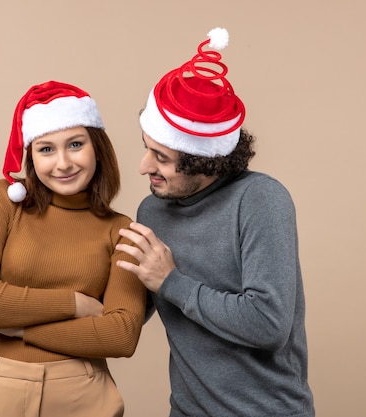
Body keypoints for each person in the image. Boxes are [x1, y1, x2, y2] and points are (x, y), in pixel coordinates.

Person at [116, 28, 315, 417]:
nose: (144, 167)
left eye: (161, 157)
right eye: (146, 150)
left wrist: (172, 282)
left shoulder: (260, 200)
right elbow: (125, 318)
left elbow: (267, 324)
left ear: (204, 161)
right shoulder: (152, 212)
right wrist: (27, 318)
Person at [0, 80, 147, 417]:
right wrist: (75, 304)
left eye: (75, 144)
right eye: (46, 149)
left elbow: (120, 334)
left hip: (84, 393)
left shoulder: (121, 230)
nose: (63, 163)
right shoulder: (2, 200)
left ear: (97, 148)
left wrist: (19, 327)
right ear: (31, 154)